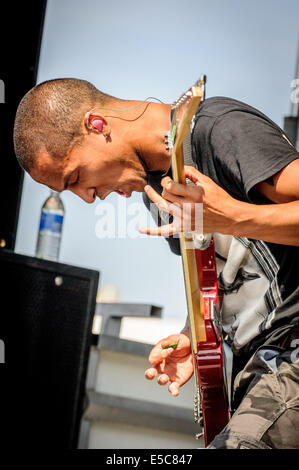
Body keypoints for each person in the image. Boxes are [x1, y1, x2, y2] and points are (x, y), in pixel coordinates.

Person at [13, 78, 299, 449]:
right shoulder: (157, 191)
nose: (89, 199)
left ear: (97, 125)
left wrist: (234, 218)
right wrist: (194, 337)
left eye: (77, 178)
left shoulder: (219, 129)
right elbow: (221, 281)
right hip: (257, 380)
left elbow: (234, 223)